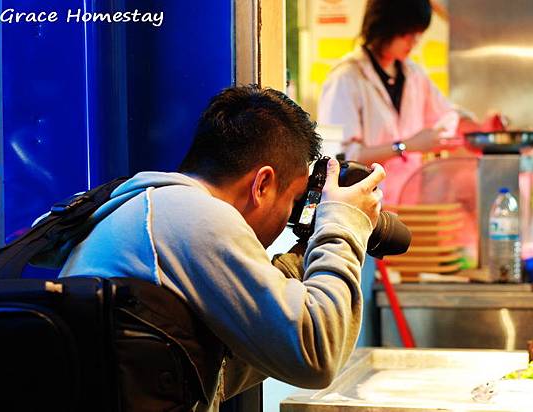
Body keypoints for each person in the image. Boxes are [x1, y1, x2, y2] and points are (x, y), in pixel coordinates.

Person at [59, 85, 385, 411]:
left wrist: (306, 253)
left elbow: (226, 361)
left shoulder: (154, 209)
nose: (290, 214)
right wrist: (343, 223)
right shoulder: (194, 215)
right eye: (292, 200)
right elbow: (317, 353)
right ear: (262, 185)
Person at [317, 0, 462, 204]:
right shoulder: (346, 78)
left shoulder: (413, 74)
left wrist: (477, 127)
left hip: (408, 204)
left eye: (418, 33)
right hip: (362, 207)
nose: (414, 41)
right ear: (385, 27)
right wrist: (406, 146)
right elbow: (340, 158)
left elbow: (446, 116)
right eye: (407, 33)